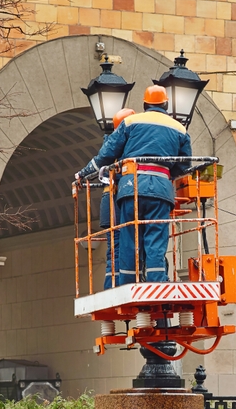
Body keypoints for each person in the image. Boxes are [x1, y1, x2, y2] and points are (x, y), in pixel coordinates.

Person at [76, 85, 192, 285]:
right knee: (156, 237)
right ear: (166, 104)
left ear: (144, 104)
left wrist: (84, 173)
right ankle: (156, 281)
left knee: (129, 236)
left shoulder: (130, 122)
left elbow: (107, 154)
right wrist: (165, 173)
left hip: (131, 187)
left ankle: (128, 283)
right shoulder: (180, 128)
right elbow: (184, 165)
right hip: (161, 189)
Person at [99, 107, 136, 289]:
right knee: (121, 245)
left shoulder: (111, 144)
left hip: (111, 200)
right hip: (117, 199)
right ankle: (116, 284)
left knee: (114, 247)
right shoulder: (123, 146)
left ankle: (112, 284)